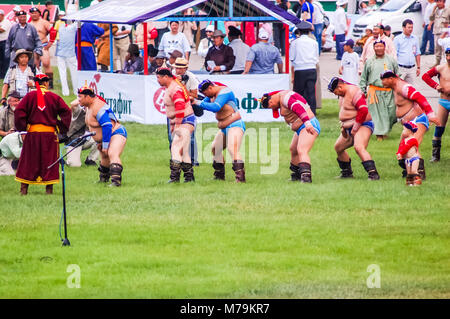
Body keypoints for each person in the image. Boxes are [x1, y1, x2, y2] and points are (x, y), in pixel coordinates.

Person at [14, 74, 72, 195]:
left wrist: (23, 129)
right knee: (49, 161)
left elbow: (19, 111)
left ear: (35, 83)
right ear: (46, 83)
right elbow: (67, 111)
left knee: (29, 161)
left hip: (32, 134)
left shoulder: (29, 96)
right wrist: (59, 126)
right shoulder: (54, 97)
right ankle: (49, 190)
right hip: (49, 135)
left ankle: (24, 190)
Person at [380, 69, 440, 179]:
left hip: (418, 119)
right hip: (409, 123)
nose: (382, 82)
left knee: (411, 147)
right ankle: (409, 171)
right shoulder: (395, 86)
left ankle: (419, 174)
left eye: (383, 80)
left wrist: (431, 115)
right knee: (403, 147)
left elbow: (420, 98)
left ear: (391, 79)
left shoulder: (403, 87)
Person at [260, 89, 320, 183]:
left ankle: (306, 178)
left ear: (271, 101)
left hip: (309, 124)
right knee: (293, 149)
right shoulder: (281, 98)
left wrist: (307, 124)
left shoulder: (286, 98)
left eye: (270, 107)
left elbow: (299, 108)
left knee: (302, 150)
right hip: (301, 127)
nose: (272, 109)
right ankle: (296, 175)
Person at [328, 77, 380, 180]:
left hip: (363, 124)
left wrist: (355, 128)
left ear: (340, 86)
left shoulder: (354, 91)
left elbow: (363, 110)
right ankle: (347, 173)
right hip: (349, 127)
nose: (337, 95)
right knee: (338, 148)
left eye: (336, 92)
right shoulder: (343, 94)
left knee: (359, 147)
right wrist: (344, 125)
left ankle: (373, 174)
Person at [194, 80, 246, 182]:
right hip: (224, 127)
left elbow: (216, 107)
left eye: (205, 93)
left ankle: (240, 178)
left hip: (234, 124)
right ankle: (219, 175)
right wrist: (193, 101)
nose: (205, 95)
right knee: (215, 148)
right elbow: (204, 104)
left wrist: (198, 102)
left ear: (210, 88)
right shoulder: (211, 94)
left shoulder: (224, 92)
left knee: (232, 149)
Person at [78, 83, 127, 186]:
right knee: (104, 157)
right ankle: (103, 179)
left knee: (112, 153)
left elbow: (107, 125)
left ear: (87, 97)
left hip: (116, 133)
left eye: (80, 97)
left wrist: (105, 144)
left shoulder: (97, 107)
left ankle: (116, 182)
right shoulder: (88, 106)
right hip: (106, 136)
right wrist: (100, 141)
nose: (78, 99)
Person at [156, 67, 195, 183]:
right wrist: (174, 124)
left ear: (166, 77)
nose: (157, 80)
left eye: (158, 77)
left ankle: (174, 178)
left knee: (176, 148)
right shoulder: (172, 86)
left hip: (184, 121)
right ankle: (189, 178)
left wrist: (177, 124)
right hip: (185, 120)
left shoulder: (175, 88)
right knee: (184, 150)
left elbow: (179, 106)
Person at [359, 40, 398, 140]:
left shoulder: (391, 60)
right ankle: (379, 135)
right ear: (374, 48)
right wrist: (363, 91)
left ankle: (385, 131)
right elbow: (364, 77)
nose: (379, 48)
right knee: (377, 114)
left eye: (381, 46)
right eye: (377, 46)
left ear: (385, 48)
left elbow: (398, 74)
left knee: (391, 113)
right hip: (374, 92)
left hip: (389, 92)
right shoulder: (370, 61)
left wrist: (398, 88)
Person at [422, 47, 450, 162]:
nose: (449, 58)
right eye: (447, 55)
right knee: (439, 127)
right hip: (444, 101)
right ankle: (435, 154)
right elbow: (425, 76)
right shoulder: (441, 68)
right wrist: (435, 86)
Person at [173, 58, 199, 165]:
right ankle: (176, 159)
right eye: (177, 68)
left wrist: (182, 87)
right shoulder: (171, 76)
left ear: (186, 69)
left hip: (188, 109)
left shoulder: (192, 78)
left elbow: (195, 95)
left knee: (191, 136)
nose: (178, 71)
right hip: (175, 109)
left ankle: (193, 160)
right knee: (173, 135)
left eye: (180, 68)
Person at [289, 21, 319, 114]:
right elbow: (316, 57)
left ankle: (297, 112)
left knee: (298, 93)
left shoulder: (295, 43)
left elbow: (292, 58)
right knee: (311, 93)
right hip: (311, 68)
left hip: (300, 70)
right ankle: (312, 113)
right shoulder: (314, 42)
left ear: (299, 32)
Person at [63, 99, 99, 167]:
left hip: (86, 140)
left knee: (102, 138)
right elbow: (73, 104)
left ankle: (91, 160)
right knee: (75, 165)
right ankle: (66, 160)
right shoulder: (78, 111)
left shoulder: (94, 113)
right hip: (74, 141)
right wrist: (83, 97)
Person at [29, 6, 56, 88]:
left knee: (46, 63)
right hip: (32, 46)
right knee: (34, 65)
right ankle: (36, 82)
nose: (34, 15)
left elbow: (53, 31)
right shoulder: (29, 23)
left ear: (39, 14)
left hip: (43, 45)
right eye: (32, 13)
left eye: (35, 13)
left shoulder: (44, 22)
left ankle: (50, 82)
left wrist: (50, 42)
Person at [55, 16, 78, 96]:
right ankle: (75, 91)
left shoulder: (61, 27)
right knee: (74, 73)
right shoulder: (73, 28)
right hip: (70, 54)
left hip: (61, 53)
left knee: (62, 73)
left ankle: (65, 92)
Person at [394, 19, 421, 84]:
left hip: (411, 68)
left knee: (409, 89)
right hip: (401, 68)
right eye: (409, 27)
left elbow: (417, 53)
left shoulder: (415, 38)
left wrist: (418, 67)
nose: (410, 29)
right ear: (403, 28)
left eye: (412, 27)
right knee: (399, 87)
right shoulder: (397, 39)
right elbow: (394, 54)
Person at [396, 121, 422, 186]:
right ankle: (410, 183)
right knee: (409, 172)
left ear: (409, 131)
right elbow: (401, 147)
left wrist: (401, 153)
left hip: (414, 158)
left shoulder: (413, 139)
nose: (403, 132)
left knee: (414, 170)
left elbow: (406, 147)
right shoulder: (404, 140)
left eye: (404, 130)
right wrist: (398, 153)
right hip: (407, 159)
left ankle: (417, 182)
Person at [429, 0, 450, 66]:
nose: (438, 3)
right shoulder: (436, 10)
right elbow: (431, 18)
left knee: (445, 49)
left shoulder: (448, 10)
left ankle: (446, 63)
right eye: (437, 1)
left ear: (444, 2)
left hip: (444, 32)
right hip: (436, 31)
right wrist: (433, 10)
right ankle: (437, 62)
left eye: (440, 1)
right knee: (437, 48)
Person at [0, 9, 12, 78]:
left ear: (2, 15)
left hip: (5, 42)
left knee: (5, 59)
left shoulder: (6, 22)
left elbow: (2, 30)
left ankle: (4, 74)